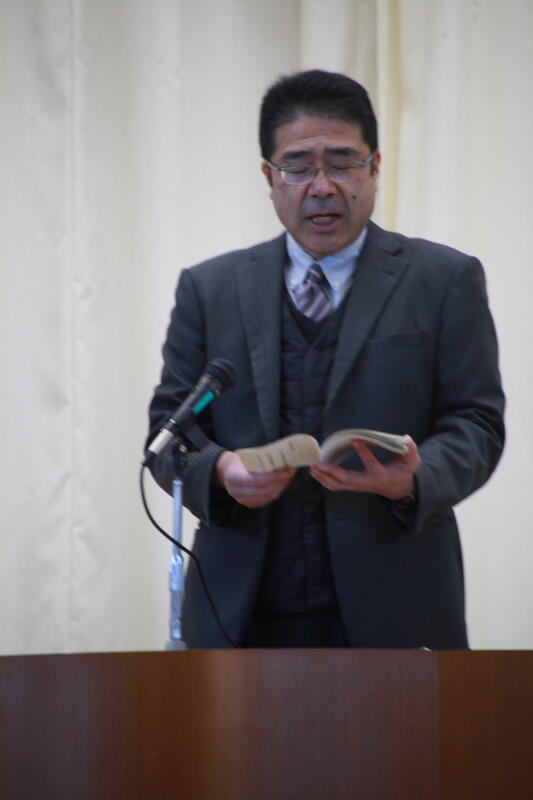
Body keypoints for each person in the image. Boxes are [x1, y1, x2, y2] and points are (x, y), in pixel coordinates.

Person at [146, 69, 505, 649]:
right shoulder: (209, 290)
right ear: (269, 177)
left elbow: (477, 423)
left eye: (342, 163)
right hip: (239, 610)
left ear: (375, 167)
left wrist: (413, 479)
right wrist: (221, 470)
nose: (321, 187)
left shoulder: (443, 279)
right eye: (297, 167)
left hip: (398, 602)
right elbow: (168, 438)